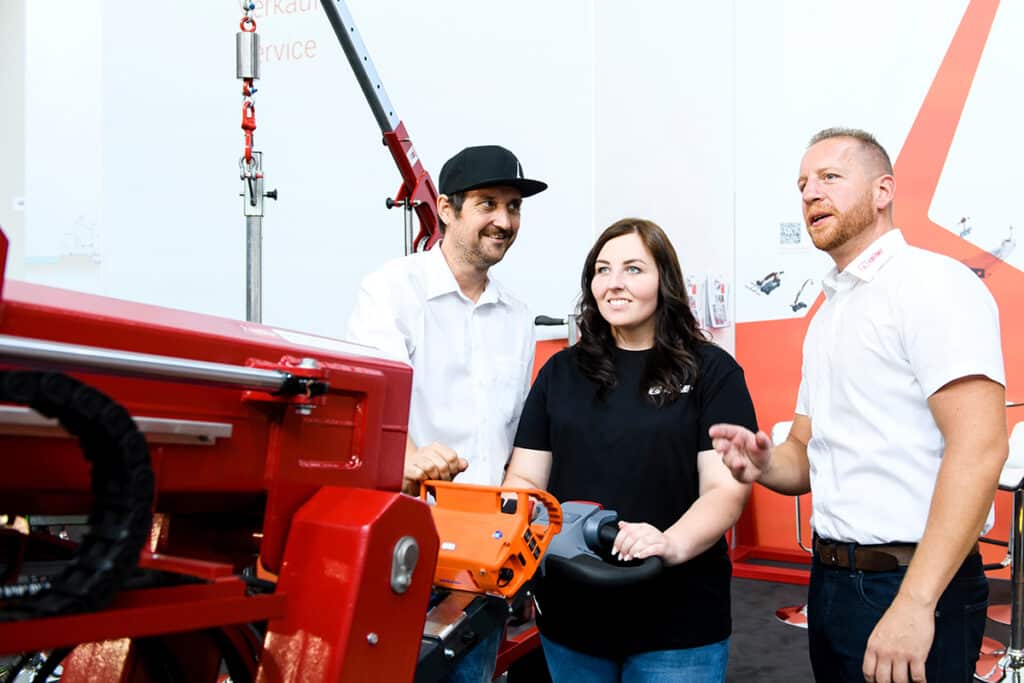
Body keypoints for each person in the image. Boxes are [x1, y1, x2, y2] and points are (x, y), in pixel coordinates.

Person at [712, 127, 1008, 683]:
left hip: (914, 583)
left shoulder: (932, 284)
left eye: (829, 177)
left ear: (883, 190)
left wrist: (916, 604)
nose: (809, 194)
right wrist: (764, 462)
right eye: (802, 185)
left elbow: (980, 448)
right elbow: (803, 454)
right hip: (832, 585)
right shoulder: (828, 315)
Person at [503, 218, 758, 682]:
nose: (614, 283)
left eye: (633, 269)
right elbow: (524, 480)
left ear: (665, 280)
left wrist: (669, 543)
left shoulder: (712, 372)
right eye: (602, 270)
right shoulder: (560, 372)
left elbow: (725, 491)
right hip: (571, 616)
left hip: (678, 623)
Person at [345, 144, 547, 683]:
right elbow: (373, 403)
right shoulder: (390, 291)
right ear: (448, 208)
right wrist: (410, 457)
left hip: (484, 558)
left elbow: (513, 435)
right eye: (487, 204)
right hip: (404, 547)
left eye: (513, 207)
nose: (503, 221)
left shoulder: (518, 314)